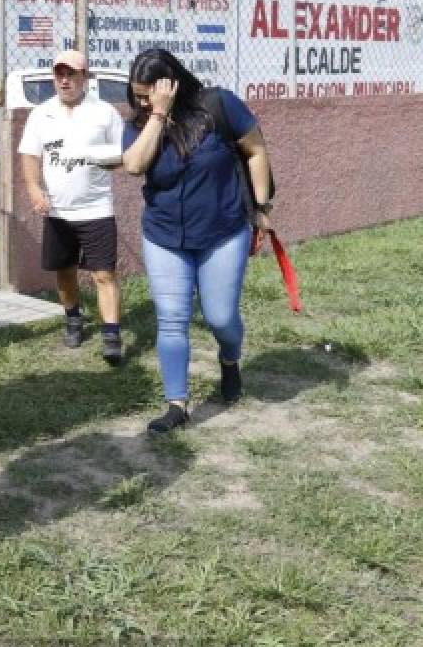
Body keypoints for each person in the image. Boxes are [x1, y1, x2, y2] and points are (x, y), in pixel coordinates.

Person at [120, 48, 275, 433]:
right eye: (136, 95)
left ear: (170, 83)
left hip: (222, 230)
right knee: (171, 320)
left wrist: (261, 206)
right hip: (164, 235)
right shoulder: (140, 122)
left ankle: (229, 359)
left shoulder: (219, 106)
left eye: (147, 93)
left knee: (221, 317)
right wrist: (156, 113)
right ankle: (177, 404)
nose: (140, 101)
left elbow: (255, 151)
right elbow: (135, 165)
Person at [18, 49, 126, 364]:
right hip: (58, 213)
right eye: (59, 74)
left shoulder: (105, 113)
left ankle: (111, 335)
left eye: (72, 74)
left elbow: (122, 155)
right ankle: (74, 320)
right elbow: (30, 155)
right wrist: (34, 188)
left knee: (103, 274)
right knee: (64, 272)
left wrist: (108, 162)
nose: (65, 80)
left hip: (97, 210)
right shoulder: (41, 114)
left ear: (85, 78)